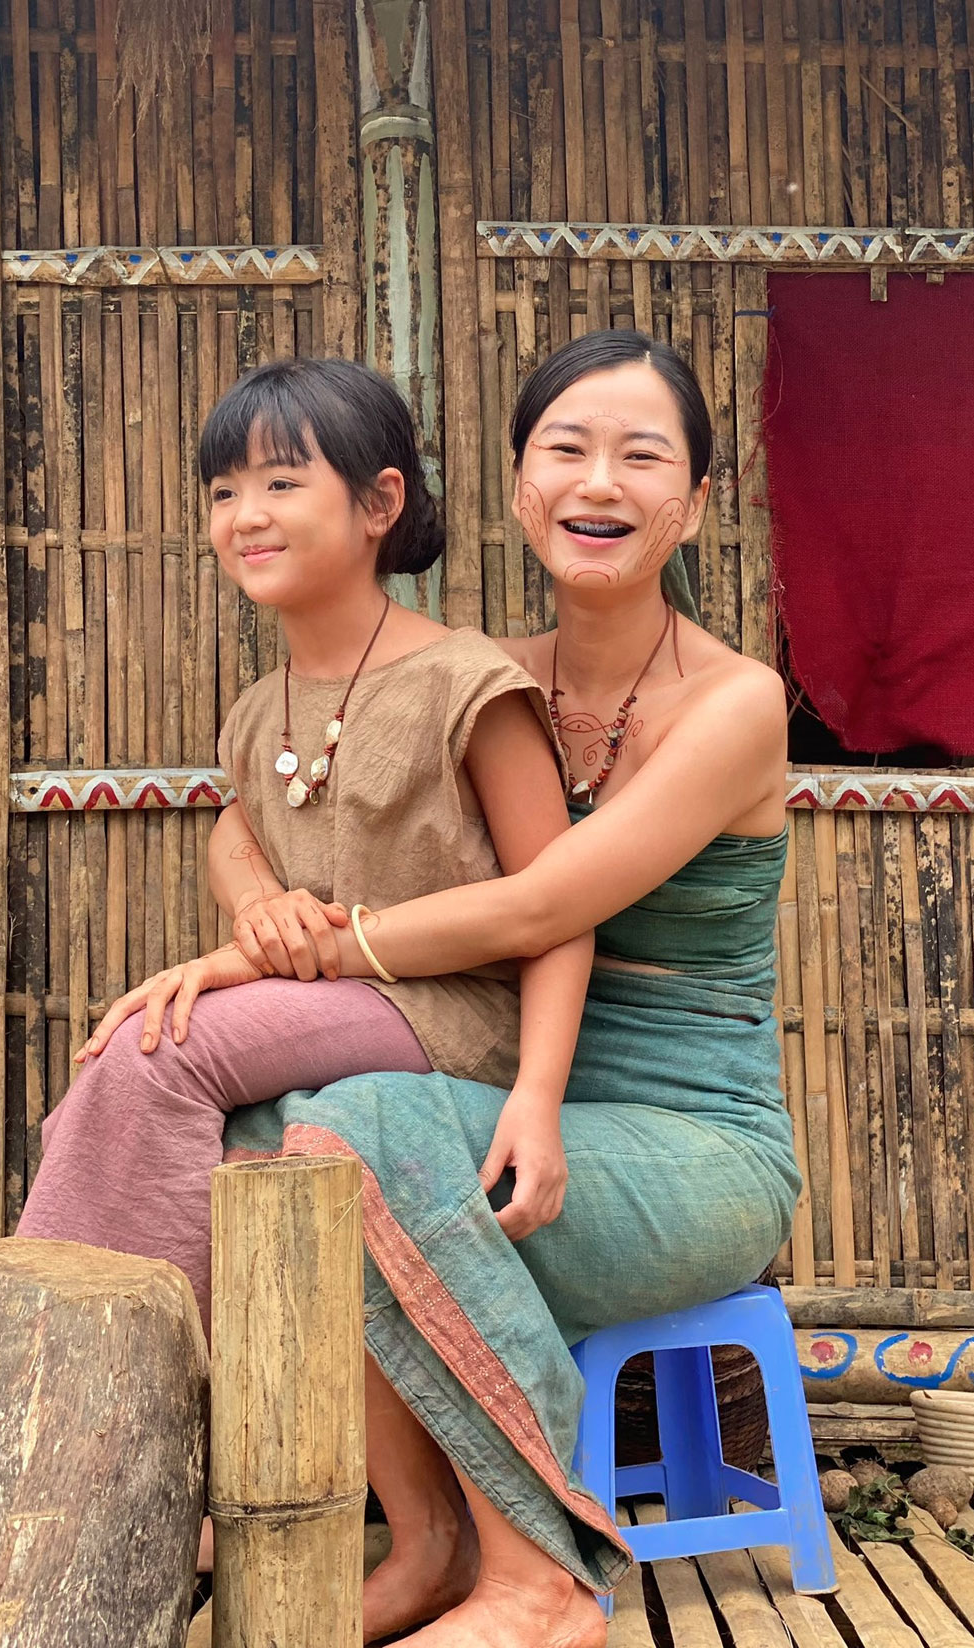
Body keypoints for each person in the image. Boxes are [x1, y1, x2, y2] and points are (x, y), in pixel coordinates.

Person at [154, 329, 801, 1648]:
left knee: (366, 1124)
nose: (598, 481)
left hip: (693, 1143)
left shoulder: (736, 703)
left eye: (641, 456)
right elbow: (250, 805)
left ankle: (542, 1579)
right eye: (566, 449)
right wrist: (252, 898)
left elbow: (541, 907)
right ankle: (425, 1539)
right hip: (491, 1091)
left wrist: (300, 950)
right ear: (519, 487)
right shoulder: (476, 677)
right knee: (267, 1131)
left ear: (693, 502)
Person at [0, 354, 590, 1365]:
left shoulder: (466, 685)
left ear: (379, 503)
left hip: (448, 1010)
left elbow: (562, 907)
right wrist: (256, 896)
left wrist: (537, 1098)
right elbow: (237, 823)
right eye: (224, 491)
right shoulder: (262, 708)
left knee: (158, 1049)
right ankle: (76, 1335)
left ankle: (81, 1351)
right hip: (330, 1002)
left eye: (281, 482)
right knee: (116, 1067)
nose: (245, 516)